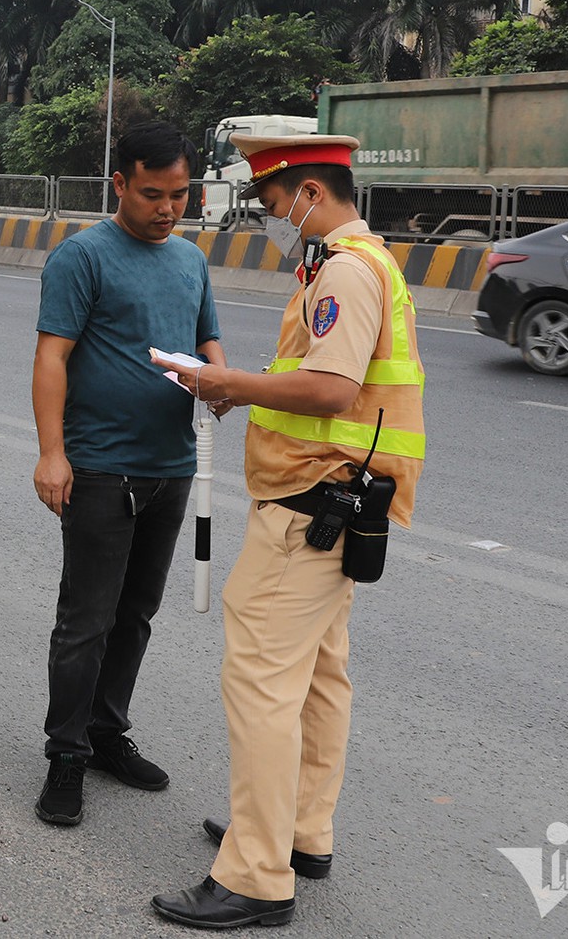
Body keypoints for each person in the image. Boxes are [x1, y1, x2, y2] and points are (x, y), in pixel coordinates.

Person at [150, 134, 425, 930]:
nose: (272, 219)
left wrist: (227, 382)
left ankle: (256, 874)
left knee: (263, 687)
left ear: (309, 190)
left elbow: (332, 388)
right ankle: (302, 832)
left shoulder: (344, 269)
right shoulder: (364, 261)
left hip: (313, 504)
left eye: (274, 205)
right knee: (319, 678)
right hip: (343, 500)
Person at [31, 119, 228, 828]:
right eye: (152, 193)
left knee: (136, 615)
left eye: (179, 194)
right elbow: (52, 356)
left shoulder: (190, 259)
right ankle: (66, 753)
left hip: (171, 467)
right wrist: (53, 453)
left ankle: (108, 733)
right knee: (86, 620)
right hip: (101, 469)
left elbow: (206, 335)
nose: (168, 208)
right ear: (119, 183)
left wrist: (220, 377)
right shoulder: (82, 257)